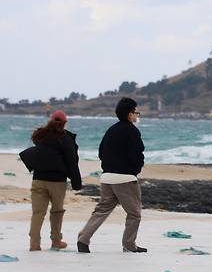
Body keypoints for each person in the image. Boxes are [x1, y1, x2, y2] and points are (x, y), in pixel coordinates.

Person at [77, 97, 146, 253]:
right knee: (134, 213)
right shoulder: (132, 131)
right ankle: (129, 245)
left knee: (101, 210)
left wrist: (109, 167)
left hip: (107, 177)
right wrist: (135, 169)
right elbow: (137, 154)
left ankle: (83, 238)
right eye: (136, 112)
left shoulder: (111, 130)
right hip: (126, 179)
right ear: (130, 114)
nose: (137, 116)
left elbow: (101, 152)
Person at [25, 110, 81, 251]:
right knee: (56, 212)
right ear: (64, 123)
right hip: (57, 182)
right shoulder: (66, 139)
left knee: (38, 213)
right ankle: (56, 241)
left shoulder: (41, 136)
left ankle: (34, 243)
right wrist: (76, 183)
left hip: (38, 179)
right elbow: (72, 162)